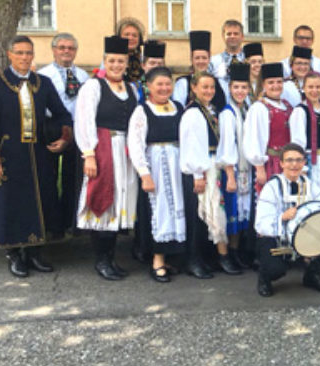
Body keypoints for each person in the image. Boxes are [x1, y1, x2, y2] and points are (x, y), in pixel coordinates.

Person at [0, 36, 72, 277]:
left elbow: (62, 114)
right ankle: (14, 254)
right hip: (9, 155)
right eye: (19, 53)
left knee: (39, 202)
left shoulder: (43, 83)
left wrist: (64, 137)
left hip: (38, 155)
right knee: (12, 204)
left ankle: (34, 253)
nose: (24, 58)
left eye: (28, 53)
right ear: (9, 55)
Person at [75, 36, 139, 281]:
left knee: (119, 201)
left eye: (121, 61)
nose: (116, 65)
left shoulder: (131, 88)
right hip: (103, 147)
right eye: (111, 60)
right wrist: (89, 154)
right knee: (103, 199)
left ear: (126, 62)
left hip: (125, 150)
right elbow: (84, 120)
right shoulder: (93, 87)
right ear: (104, 61)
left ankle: (111, 257)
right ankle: (101, 260)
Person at [127, 67, 186, 282]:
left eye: (167, 84)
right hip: (156, 166)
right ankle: (157, 261)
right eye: (159, 84)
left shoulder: (178, 108)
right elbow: (135, 144)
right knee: (159, 211)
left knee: (177, 209)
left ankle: (172, 256)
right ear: (149, 87)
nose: (164, 88)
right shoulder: (142, 110)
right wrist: (145, 174)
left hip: (177, 164)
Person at [180, 72, 242, 278]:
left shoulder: (212, 111)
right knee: (199, 213)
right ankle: (193, 260)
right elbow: (191, 145)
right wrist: (198, 174)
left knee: (215, 212)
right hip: (200, 168)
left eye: (212, 87)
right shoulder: (192, 113)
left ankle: (211, 258)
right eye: (204, 87)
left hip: (214, 165)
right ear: (194, 88)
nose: (209, 91)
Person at [254, 143, 320, 297]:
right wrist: (282, 217)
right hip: (278, 238)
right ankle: (265, 277)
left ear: (304, 163)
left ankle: (312, 276)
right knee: (275, 268)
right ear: (282, 163)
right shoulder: (271, 187)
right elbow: (261, 224)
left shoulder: (309, 185)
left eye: (299, 160)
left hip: (304, 235)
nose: (294, 164)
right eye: (290, 160)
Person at [37, 32, 89, 238]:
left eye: (71, 48)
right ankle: (52, 224)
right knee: (48, 177)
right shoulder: (43, 75)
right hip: (51, 128)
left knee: (73, 177)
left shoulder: (84, 76)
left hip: (78, 130)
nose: (66, 51)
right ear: (54, 50)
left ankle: (71, 221)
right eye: (62, 47)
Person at [289, 72, 320, 218]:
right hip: (312, 164)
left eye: (318, 86)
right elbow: (297, 143)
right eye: (310, 87)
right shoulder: (300, 111)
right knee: (315, 201)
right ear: (303, 88)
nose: (314, 90)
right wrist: (301, 168)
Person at [219, 63, 252, 269]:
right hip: (233, 170)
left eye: (244, 87)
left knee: (241, 215)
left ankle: (236, 251)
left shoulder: (247, 109)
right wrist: (230, 175)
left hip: (247, 169)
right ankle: (226, 256)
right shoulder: (227, 113)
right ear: (230, 88)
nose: (240, 91)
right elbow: (227, 145)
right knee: (230, 214)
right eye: (236, 87)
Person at [244, 62, 293, 191]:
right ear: (264, 85)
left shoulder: (287, 106)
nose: (275, 86)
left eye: (279, 82)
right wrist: (260, 168)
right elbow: (254, 138)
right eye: (271, 82)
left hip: (289, 163)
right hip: (270, 164)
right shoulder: (259, 108)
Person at [281, 25, 320, 109]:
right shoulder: (283, 65)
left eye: (308, 38)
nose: (304, 41)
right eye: (301, 38)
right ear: (294, 39)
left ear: (313, 40)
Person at [172, 30, 227, 112]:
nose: (201, 61)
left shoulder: (221, 83)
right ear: (191, 59)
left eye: (204, 58)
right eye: (197, 58)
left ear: (209, 59)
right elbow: (178, 109)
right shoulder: (183, 83)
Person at [209, 19, 246, 96]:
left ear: (242, 36)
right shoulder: (213, 61)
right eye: (229, 34)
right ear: (223, 36)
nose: (232, 36)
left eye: (236, 34)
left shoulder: (249, 61)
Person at [115, 17, 146, 83]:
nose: (130, 38)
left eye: (134, 35)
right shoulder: (112, 59)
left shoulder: (144, 59)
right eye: (127, 35)